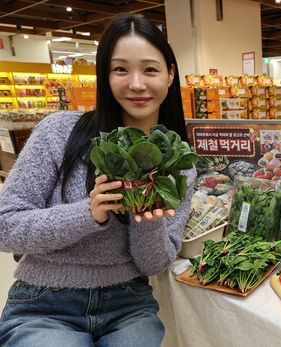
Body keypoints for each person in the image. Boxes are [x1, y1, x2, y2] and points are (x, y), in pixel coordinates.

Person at [0, 13, 195, 347]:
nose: (136, 83)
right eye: (120, 69)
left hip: (129, 304)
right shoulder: (59, 132)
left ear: (170, 74)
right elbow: (5, 226)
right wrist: (88, 214)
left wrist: (145, 217)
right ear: (104, 75)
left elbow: (156, 262)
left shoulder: (178, 164)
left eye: (150, 69)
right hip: (45, 304)